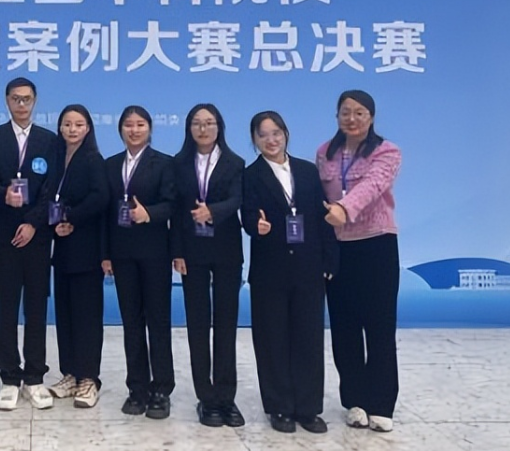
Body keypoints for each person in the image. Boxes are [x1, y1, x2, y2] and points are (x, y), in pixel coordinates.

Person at [242, 111, 338, 434]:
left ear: (286, 134)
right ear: (254, 140)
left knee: (308, 338)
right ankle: (279, 407)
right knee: (272, 339)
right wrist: (256, 226)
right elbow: (246, 215)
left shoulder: (308, 171)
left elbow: (323, 218)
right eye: (263, 135)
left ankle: (308, 408)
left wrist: (329, 260)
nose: (271, 140)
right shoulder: (251, 175)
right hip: (270, 270)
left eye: (276, 133)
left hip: (309, 267)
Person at [316, 90, 402, 433]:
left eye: (359, 113)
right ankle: (354, 400)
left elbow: (373, 185)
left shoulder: (387, 151)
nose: (351, 119)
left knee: (379, 326)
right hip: (339, 249)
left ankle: (381, 404)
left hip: (376, 245)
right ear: (337, 116)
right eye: (345, 112)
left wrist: (343, 208)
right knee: (344, 327)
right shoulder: (325, 152)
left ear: (371, 117)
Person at [0, 77, 57, 411]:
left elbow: (51, 189)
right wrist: (3, 195)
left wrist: (33, 223)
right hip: (4, 238)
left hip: (36, 238)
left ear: (35, 101)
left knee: (36, 309)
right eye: (15, 99)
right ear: (7, 101)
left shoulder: (49, 140)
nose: (21, 104)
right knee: (7, 308)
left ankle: (35, 376)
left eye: (26, 99)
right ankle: (10, 377)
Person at [171, 103, 246, 428]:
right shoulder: (178, 164)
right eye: (197, 123)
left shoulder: (235, 162)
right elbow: (176, 211)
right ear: (189, 128)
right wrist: (177, 252)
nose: (203, 129)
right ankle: (207, 398)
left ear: (219, 127)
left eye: (209, 123)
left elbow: (237, 199)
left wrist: (212, 211)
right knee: (198, 324)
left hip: (227, 250)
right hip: (192, 251)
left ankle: (227, 397)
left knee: (226, 324)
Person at [103, 105, 177, 420]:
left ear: (150, 129)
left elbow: (172, 204)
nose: (134, 130)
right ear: (120, 129)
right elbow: (105, 213)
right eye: (128, 125)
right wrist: (105, 253)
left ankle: (161, 389)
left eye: (140, 125)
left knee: (158, 321)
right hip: (122, 254)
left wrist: (150, 214)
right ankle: (137, 388)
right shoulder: (110, 165)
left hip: (154, 252)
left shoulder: (165, 163)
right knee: (131, 322)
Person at [47, 104, 108, 409]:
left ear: (88, 129)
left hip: (86, 246)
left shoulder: (93, 159)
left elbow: (100, 198)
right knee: (66, 313)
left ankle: (89, 378)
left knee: (87, 315)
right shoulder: (56, 159)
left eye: (79, 124)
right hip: (62, 248)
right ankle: (70, 373)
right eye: (67, 124)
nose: (72, 129)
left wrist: (71, 217)